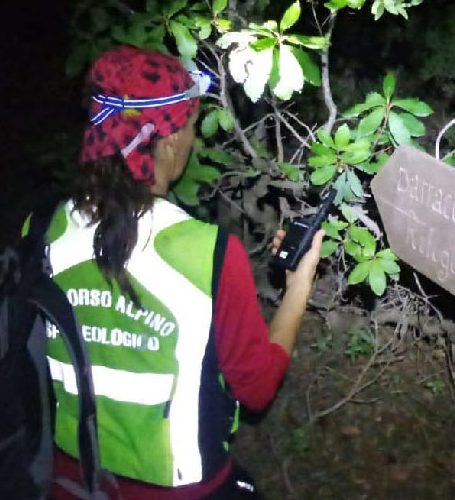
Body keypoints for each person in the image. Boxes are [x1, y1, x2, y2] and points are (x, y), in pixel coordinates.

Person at [34, 46, 323, 499]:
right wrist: (298, 288)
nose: (193, 140)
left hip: (68, 479)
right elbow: (257, 387)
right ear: (169, 141)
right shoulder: (207, 253)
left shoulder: (42, 230)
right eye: (191, 127)